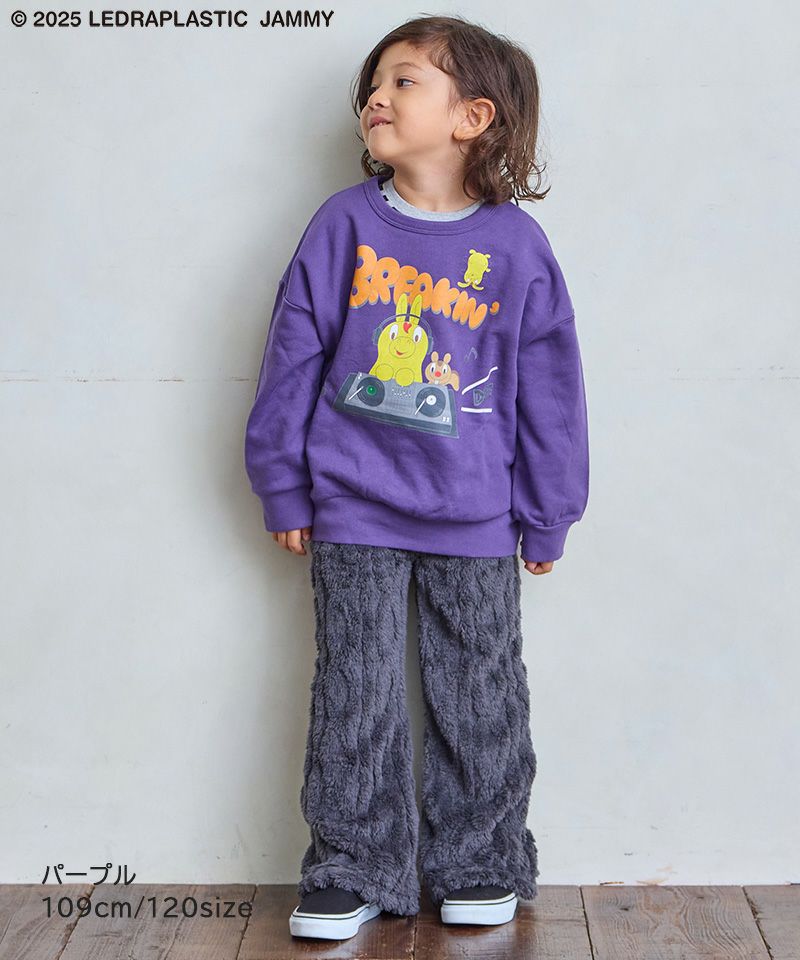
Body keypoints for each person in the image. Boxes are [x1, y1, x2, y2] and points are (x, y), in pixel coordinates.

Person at [244, 14, 590, 942]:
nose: (377, 98)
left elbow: (551, 390)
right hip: (351, 505)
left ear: (472, 116)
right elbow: (292, 356)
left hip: (476, 513)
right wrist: (283, 483)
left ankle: (480, 862)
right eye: (374, 83)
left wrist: (548, 513)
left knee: (479, 693)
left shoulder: (516, 247)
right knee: (354, 692)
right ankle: (352, 868)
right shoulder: (343, 224)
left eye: (404, 81)